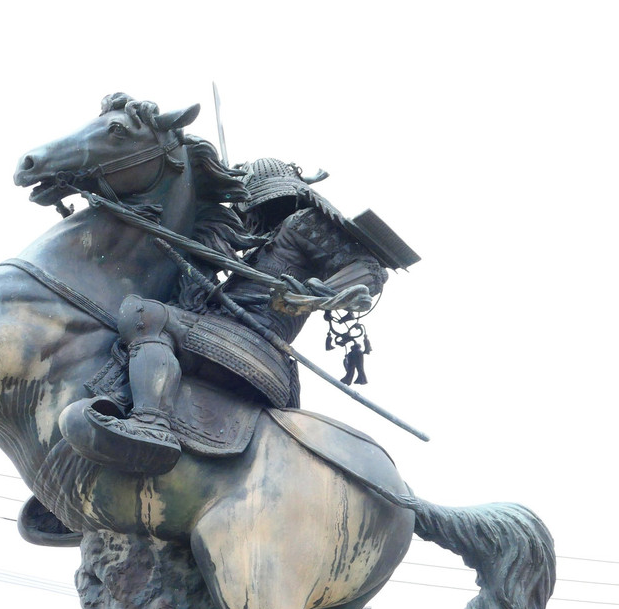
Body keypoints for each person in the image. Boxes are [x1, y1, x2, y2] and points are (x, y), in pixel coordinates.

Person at [59, 158, 398, 475]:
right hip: (228, 333)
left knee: (145, 313)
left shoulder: (303, 223)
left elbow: (368, 270)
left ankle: (151, 423)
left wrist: (312, 296)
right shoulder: (259, 245)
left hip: (253, 341)